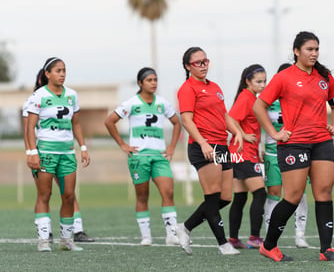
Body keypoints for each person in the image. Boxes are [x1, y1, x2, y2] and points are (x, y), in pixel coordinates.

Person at [253, 31, 334, 262]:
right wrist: (274, 133)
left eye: (316, 49)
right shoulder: (284, 77)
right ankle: (269, 245)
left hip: (322, 142)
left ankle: (326, 249)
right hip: (294, 145)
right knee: (293, 196)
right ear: (296, 51)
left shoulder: (325, 77)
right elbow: (258, 106)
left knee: (324, 192)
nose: (314, 53)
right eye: (309, 49)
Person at [175, 46, 244, 255]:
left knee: (225, 198)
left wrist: (236, 132)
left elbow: (224, 116)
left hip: (221, 145)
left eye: (205, 61)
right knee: (212, 198)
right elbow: (186, 119)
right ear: (188, 66)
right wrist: (203, 142)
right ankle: (223, 244)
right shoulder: (187, 88)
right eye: (198, 62)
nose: (203, 65)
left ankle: (185, 227)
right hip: (203, 147)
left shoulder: (214, 87)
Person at [105, 67, 181, 246]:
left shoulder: (162, 103)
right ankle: (146, 236)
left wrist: (171, 147)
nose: (153, 83)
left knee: (168, 192)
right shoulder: (131, 103)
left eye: (155, 80)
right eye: (149, 80)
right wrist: (123, 145)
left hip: (159, 156)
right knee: (142, 196)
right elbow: (109, 121)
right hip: (139, 157)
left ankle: (171, 235)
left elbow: (177, 123)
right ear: (140, 83)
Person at [26, 57, 90, 252]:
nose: (62, 74)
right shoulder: (39, 96)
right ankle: (44, 240)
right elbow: (30, 127)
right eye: (58, 71)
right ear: (47, 74)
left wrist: (83, 147)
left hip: (67, 153)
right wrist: (32, 152)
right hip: (46, 152)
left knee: (69, 196)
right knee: (45, 194)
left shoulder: (72, 95)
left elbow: (76, 123)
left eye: (64, 70)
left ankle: (66, 240)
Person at [263, 63, 309, 248]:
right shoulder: (268, 100)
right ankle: (269, 235)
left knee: (300, 193)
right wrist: (259, 145)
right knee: (274, 193)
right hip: (272, 152)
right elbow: (257, 122)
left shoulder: (300, 99)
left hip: (296, 151)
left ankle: (300, 234)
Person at [227, 64, 267, 249]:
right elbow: (229, 119)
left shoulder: (252, 98)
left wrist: (257, 147)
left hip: (240, 153)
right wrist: (242, 134)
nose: (262, 85)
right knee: (260, 194)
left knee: (241, 197)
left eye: (264, 81)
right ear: (248, 82)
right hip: (241, 154)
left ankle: (233, 239)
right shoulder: (246, 97)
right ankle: (255, 237)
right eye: (258, 81)